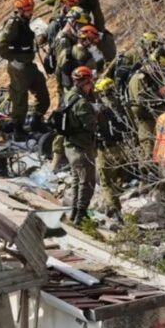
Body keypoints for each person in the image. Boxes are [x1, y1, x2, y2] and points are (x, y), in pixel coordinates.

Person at [0, 0, 50, 141]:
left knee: (42, 92)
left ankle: (36, 120)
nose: (30, 13)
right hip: (18, 66)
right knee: (20, 98)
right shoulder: (13, 23)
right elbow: (1, 45)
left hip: (29, 64)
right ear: (20, 10)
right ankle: (18, 129)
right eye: (27, 10)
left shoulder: (25, 22)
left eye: (31, 10)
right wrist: (13, 59)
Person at [51, 22, 98, 171]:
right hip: (80, 94)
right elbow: (92, 77)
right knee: (78, 125)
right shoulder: (84, 56)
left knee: (66, 125)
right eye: (92, 41)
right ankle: (76, 161)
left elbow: (58, 72)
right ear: (86, 40)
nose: (94, 44)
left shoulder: (69, 51)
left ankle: (56, 163)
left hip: (69, 92)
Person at [94, 77, 134, 223]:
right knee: (118, 179)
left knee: (105, 182)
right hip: (122, 147)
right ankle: (114, 205)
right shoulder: (122, 105)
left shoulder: (98, 109)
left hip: (105, 150)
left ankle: (113, 210)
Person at [64, 66, 98, 225]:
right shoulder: (82, 102)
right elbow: (91, 125)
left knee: (77, 180)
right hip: (81, 147)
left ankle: (74, 212)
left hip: (70, 145)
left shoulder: (68, 95)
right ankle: (81, 215)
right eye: (90, 82)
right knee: (88, 182)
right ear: (85, 82)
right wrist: (96, 112)